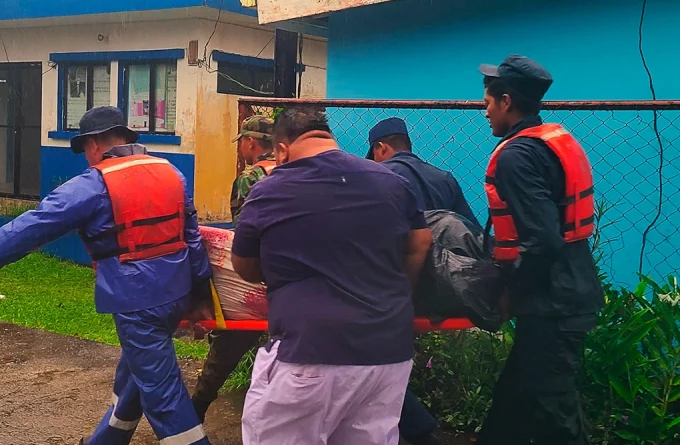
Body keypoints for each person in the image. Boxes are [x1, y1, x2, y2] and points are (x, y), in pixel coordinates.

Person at [0, 106, 214, 445]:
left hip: (137, 302)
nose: (87, 157)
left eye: (85, 148)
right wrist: (201, 295)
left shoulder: (95, 185)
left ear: (95, 143)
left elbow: (33, 227)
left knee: (165, 397)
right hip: (176, 293)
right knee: (136, 374)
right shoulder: (171, 172)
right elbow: (192, 239)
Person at [232, 107, 434, 445]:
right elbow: (421, 241)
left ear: (282, 150)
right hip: (387, 353)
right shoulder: (391, 181)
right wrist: (399, 292)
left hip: (310, 352)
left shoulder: (270, 190)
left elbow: (245, 266)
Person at [476, 55, 603, 445]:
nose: (485, 113)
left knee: (553, 414)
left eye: (487, 103)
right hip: (566, 290)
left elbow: (543, 241)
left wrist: (511, 294)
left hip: (554, 303)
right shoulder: (548, 141)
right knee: (513, 400)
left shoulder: (517, 156)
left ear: (506, 101)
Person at [368, 118, 482, 445]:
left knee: (370, 360)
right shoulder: (445, 178)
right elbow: (469, 230)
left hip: (396, 289)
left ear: (381, 148)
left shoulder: (381, 176)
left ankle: (418, 431)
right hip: (442, 293)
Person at [191, 115, 275, 422]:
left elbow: (244, 235)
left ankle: (196, 411)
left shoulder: (250, 178)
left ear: (251, 142)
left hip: (255, 280)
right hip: (298, 279)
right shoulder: (297, 170)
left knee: (226, 346)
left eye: (241, 141)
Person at [367, 117, 480, 228]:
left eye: (373, 155)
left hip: (396, 245)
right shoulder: (445, 178)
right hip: (443, 244)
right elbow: (472, 228)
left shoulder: (377, 175)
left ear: (381, 148)